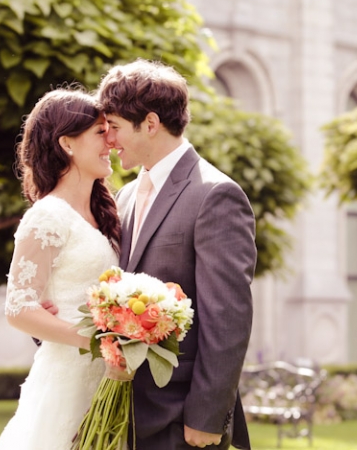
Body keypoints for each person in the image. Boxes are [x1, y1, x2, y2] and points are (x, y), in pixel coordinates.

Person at [100, 58, 257, 449]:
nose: (109, 139)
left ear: (150, 123)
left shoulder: (215, 195)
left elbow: (228, 317)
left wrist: (207, 416)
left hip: (181, 419)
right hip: (126, 415)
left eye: (115, 126)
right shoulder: (125, 196)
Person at [0, 88, 122, 450]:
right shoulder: (48, 216)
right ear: (67, 143)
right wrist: (97, 342)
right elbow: (19, 309)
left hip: (109, 377)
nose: (111, 141)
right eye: (100, 132)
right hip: (68, 377)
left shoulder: (106, 214)